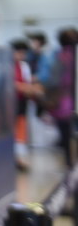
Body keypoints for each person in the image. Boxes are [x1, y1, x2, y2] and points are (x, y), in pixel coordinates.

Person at [46, 27, 78, 168]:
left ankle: (70, 165)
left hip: (65, 103)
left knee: (66, 135)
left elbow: (54, 81)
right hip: (69, 101)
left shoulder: (60, 57)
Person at [11, 38, 42, 170]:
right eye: (19, 53)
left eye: (23, 53)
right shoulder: (7, 65)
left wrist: (30, 89)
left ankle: (19, 159)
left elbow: (27, 83)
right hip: (10, 104)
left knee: (21, 133)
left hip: (21, 103)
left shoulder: (24, 66)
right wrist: (23, 87)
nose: (21, 56)